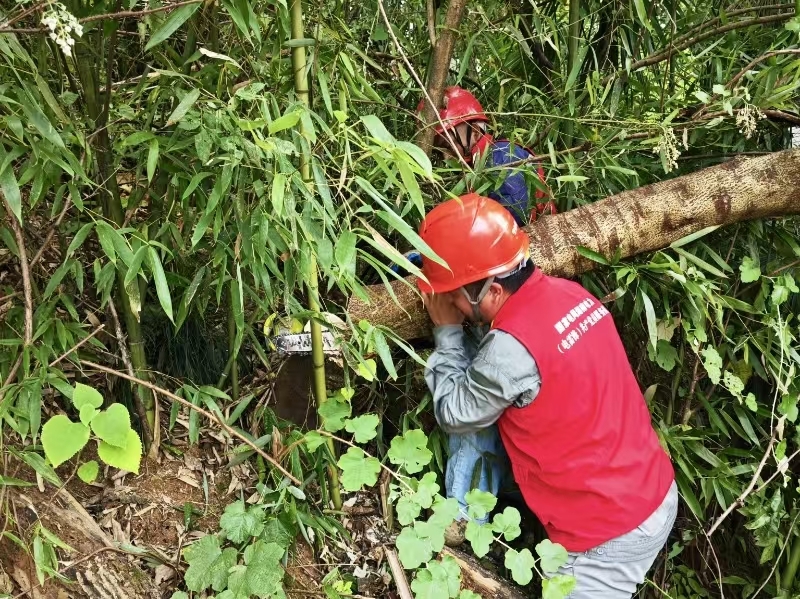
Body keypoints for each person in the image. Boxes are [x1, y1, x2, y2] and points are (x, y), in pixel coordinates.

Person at [417, 193, 677, 598]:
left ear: (490, 290)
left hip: (606, 538)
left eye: (452, 295)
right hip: (652, 491)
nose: (448, 303)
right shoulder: (570, 295)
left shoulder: (509, 351)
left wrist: (447, 332)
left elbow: (454, 411)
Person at [418, 86, 556, 226]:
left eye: (448, 146)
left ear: (475, 132)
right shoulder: (477, 167)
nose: (445, 157)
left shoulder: (502, 154)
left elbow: (517, 213)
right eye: (438, 151)